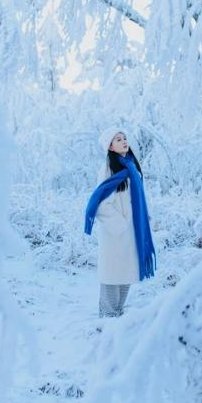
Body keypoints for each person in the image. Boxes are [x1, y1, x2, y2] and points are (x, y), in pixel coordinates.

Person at [84, 127, 156, 318]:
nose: (124, 141)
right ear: (110, 146)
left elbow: (138, 199)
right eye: (118, 139)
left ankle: (118, 316)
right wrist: (120, 225)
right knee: (111, 276)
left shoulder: (131, 167)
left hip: (132, 231)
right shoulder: (109, 168)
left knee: (125, 274)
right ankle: (106, 320)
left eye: (124, 138)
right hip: (116, 233)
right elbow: (101, 203)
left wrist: (142, 219)